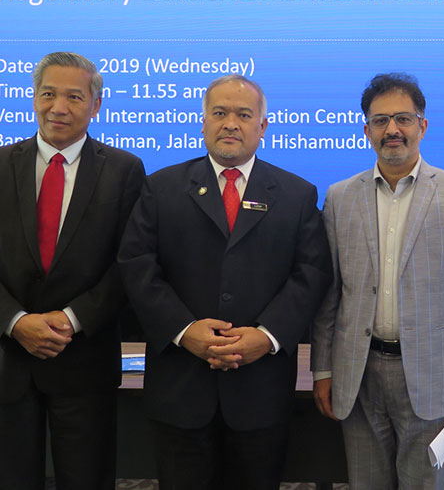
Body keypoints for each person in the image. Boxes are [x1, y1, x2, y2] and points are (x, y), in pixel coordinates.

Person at [118, 74, 332, 490]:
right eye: (219, 113)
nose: (230, 123)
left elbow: (312, 273)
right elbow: (136, 265)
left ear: (263, 126)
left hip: (260, 390)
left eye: (244, 115)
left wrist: (266, 336)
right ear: (203, 123)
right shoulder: (161, 188)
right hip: (181, 388)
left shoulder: (297, 194)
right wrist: (184, 330)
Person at [310, 73, 444, 489]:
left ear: (422, 126)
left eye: (403, 119)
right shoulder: (339, 197)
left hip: (433, 376)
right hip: (357, 376)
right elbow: (330, 295)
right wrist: (322, 369)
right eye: (380, 121)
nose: (392, 129)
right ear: (367, 131)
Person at [0, 52, 145, 489]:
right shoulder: (1, 165)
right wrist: (15, 321)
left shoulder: (124, 170)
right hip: (8, 361)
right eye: (48, 94)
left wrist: (71, 319)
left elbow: (130, 263)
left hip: (85, 359)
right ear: (33, 98)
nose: (58, 108)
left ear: (96, 105)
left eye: (74, 97)